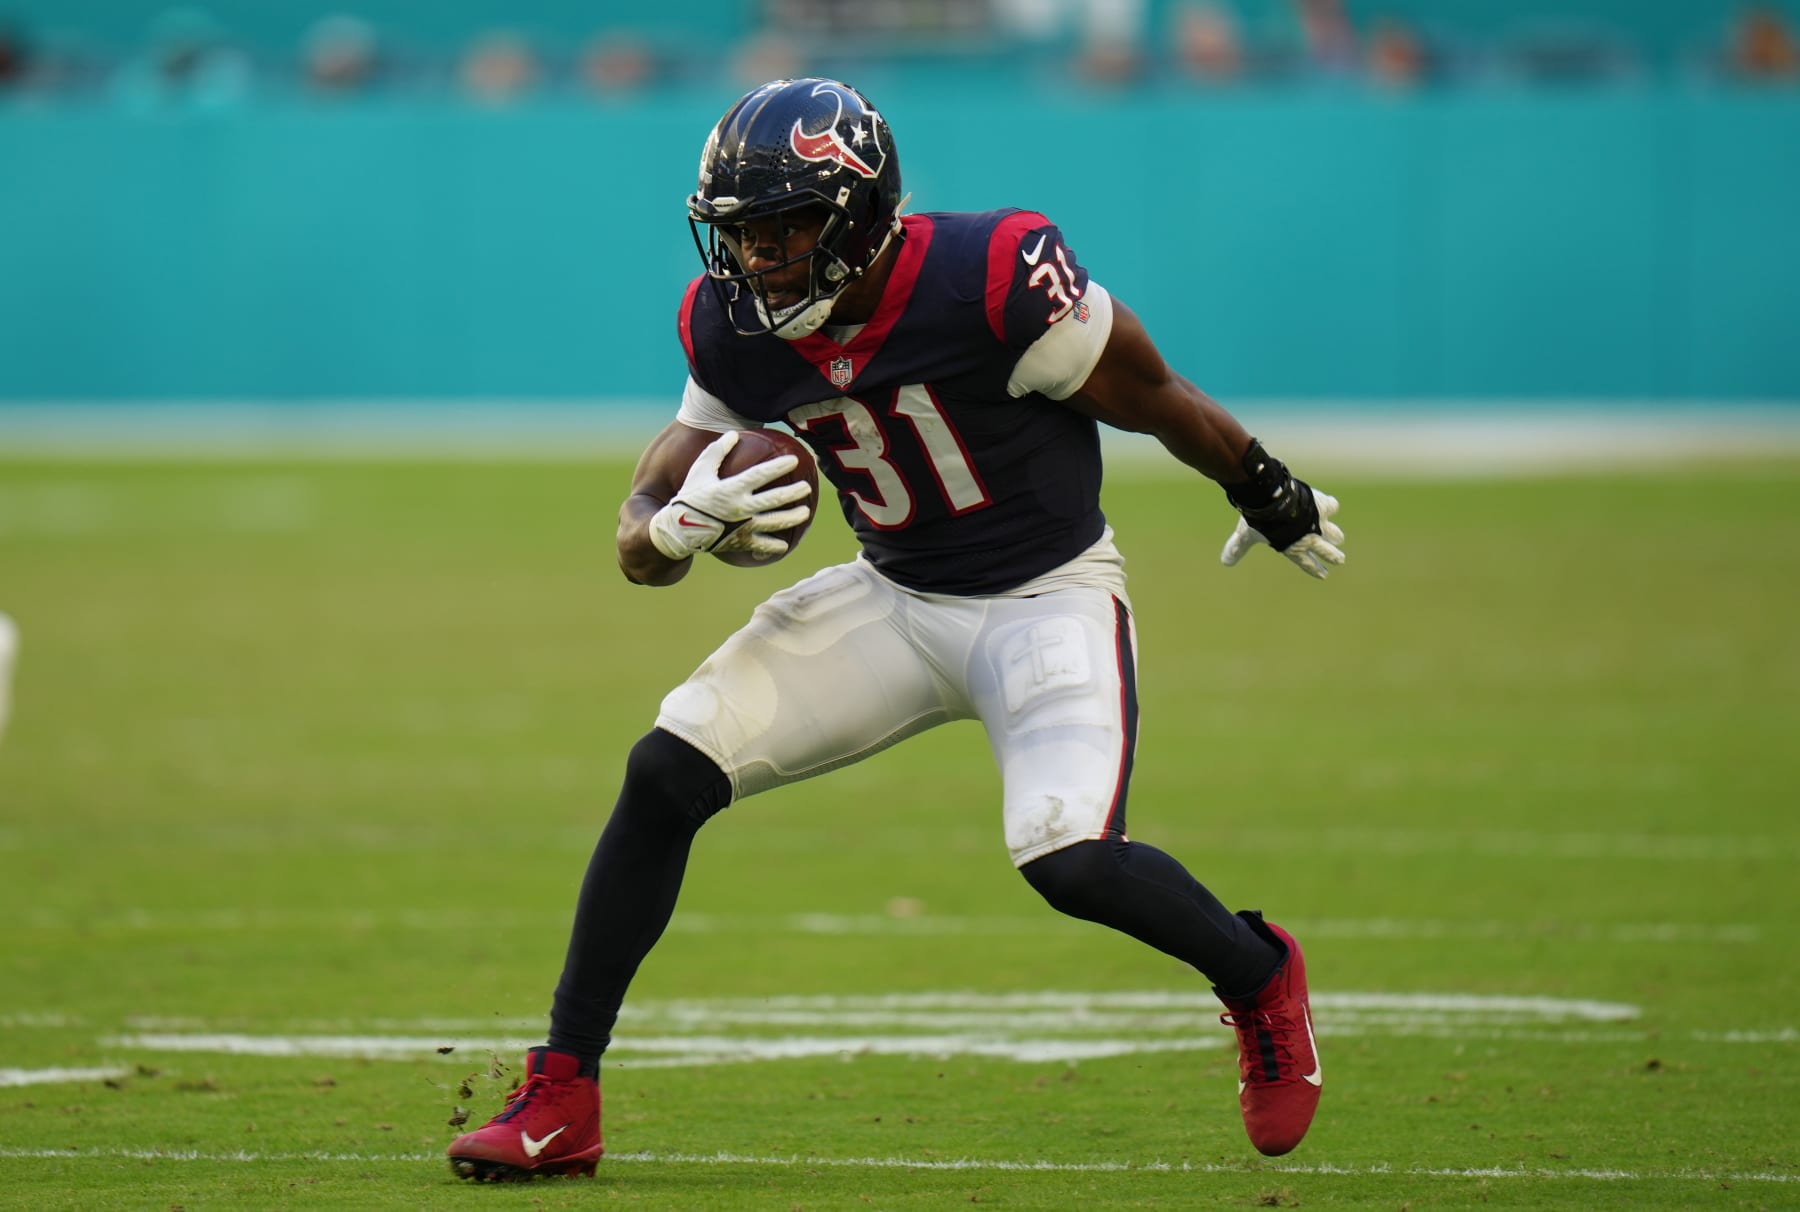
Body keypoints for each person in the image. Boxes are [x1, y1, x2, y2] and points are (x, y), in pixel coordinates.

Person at [447, 76, 1345, 1183]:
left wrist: (1262, 483)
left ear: (862, 213)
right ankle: (563, 1095)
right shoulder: (730, 325)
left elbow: (1151, 394)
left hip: (1044, 597)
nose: (760, 261)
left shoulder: (990, 279)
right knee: (664, 768)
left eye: (785, 230)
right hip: (897, 597)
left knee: (1067, 857)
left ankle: (1258, 975)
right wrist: (674, 529)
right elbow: (636, 536)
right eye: (740, 234)